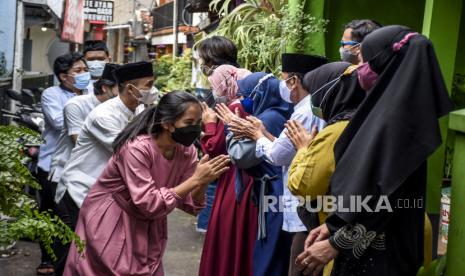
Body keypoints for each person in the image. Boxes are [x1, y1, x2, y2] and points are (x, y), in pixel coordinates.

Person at [299, 25, 453, 276]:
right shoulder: (384, 113)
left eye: (366, 61)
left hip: (381, 255)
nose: (360, 69)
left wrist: (337, 241)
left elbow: (386, 197)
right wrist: (333, 226)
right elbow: (368, 184)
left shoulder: (397, 122)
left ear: (387, 65)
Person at [64, 91, 230, 275]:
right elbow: (148, 202)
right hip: (112, 219)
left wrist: (203, 181)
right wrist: (196, 179)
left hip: (148, 223)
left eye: (198, 123)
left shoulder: (186, 151)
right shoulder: (136, 148)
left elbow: (190, 204)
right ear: (167, 124)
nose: (194, 129)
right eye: (188, 123)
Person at [226, 53, 327, 276]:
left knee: (296, 264)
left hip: (297, 198)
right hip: (297, 196)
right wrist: (262, 135)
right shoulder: (304, 109)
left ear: (293, 81)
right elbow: (288, 149)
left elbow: (277, 156)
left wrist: (254, 134)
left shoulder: (302, 112)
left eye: (284, 79)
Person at [53, 61, 154, 275]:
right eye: (148, 85)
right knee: (73, 254)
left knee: (94, 254)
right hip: (81, 190)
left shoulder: (140, 109)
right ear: (130, 89)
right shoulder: (104, 116)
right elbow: (131, 153)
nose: (152, 90)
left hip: (105, 195)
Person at [283, 62, 366, 275]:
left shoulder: (336, 131)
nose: (312, 101)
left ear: (331, 92)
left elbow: (303, 185)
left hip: (342, 231)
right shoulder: (368, 120)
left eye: (313, 94)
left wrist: (303, 149)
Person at [217, 72, 294, 276]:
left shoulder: (268, 118)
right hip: (274, 188)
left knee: (269, 253)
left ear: (259, 94)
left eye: (245, 96)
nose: (242, 101)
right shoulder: (279, 111)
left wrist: (230, 126)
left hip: (274, 190)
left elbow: (242, 156)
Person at [47, 63, 120, 273]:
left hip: (95, 183)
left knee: (86, 242)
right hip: (66, 178)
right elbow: (78, 140)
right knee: (70, 237)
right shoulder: (77, 105)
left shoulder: (122, 109)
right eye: (122, 88)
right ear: (106, 88)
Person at [198, 65, 257, 276]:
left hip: (234, 177)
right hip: (247, 176)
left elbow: (215, 147)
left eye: (214, 85)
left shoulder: (234, 108)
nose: (214, 91)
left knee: (227, 232)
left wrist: (209, 124)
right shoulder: (254, 103)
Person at [35, 52, 89, 276]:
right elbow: (59, 122)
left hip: (78, 167)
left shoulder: (90, 92)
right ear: (63, 76)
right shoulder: (51, 94)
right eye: (78, 71)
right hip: (51, 166)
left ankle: (68, 265)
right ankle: (48, 259)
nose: (84, 74)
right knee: (50, 217)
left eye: (85, 69)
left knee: (71, 221)